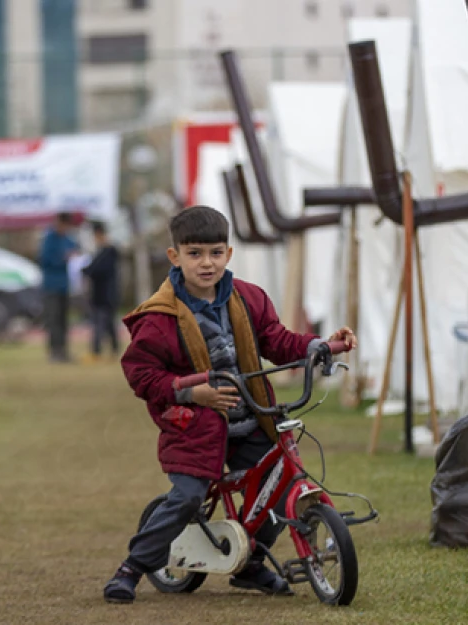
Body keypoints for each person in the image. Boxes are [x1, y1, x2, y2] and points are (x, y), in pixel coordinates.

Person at [102, 205, 356, 604]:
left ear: (229, 254)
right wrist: (191, 391)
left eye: (216, 253)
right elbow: (141, 374)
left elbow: (276, 339)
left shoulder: (248, 298)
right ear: (175, 257)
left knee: (281, 479)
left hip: (251, 417)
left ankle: (250, 561)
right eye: (196, 253)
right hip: (195, 424)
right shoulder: (160, 318)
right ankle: (132, 568)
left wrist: (318, 344)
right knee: (187, 497)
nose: (207, 263)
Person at [37, 212, 80, 362]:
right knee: (53, 319)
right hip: (51, 286)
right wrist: (63, 258)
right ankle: (54, 352)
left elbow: (76, 251)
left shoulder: (68, 239)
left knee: (63, 320)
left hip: (65, 286)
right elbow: (45, 260)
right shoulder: (49, 239)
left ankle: (64, 351)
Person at [81, 221, 120, 361]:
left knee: (99, 324)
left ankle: (96, 352)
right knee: (109, 325)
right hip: (101, 294)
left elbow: (97, 270)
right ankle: (114, 350)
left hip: (105, 294)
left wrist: (86, 270)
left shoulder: (108, 251)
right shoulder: (101, 251)